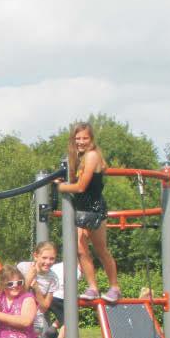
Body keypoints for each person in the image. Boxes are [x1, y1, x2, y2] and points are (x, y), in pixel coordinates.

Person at [56, 121, 120, 304]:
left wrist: (61, 187)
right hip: (81, 209)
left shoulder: (92, 156)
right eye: (78, 138)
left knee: (101, 249)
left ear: (91, 139)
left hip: (94, 209)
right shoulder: (76, 156)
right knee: (80, 249)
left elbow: (81, 187)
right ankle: (92, 287)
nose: (81, 142)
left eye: (85, 138)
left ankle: (114, 287)